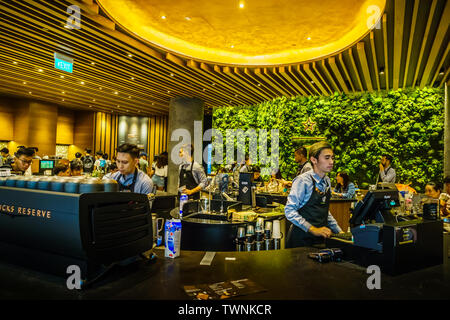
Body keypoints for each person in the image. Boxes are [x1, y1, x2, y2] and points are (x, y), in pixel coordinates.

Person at [285, 141, 343, 248]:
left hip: (320, 240)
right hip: (301, 240)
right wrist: (312, 229)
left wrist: (340, 233)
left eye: (332, 158)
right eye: (327, 158)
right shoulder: (303, 181)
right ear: (313, 160)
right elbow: (289, 211)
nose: (331, 162)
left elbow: (324, 211)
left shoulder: (327, 181)